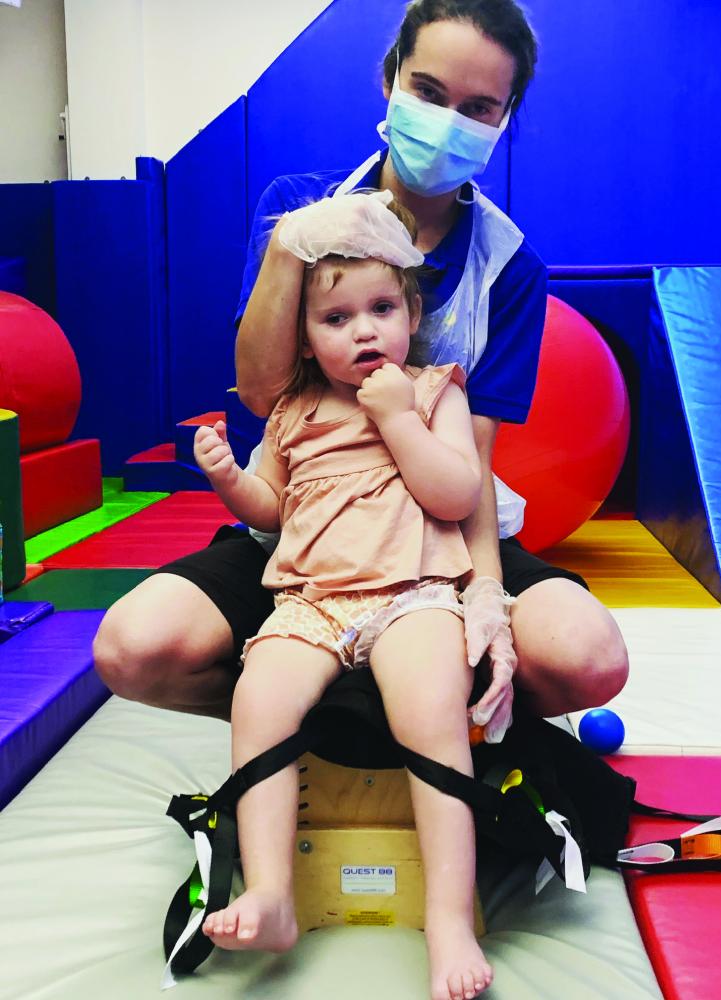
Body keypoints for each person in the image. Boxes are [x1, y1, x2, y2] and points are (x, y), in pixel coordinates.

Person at [94, 0, 627, 735]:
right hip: (306, 535)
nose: (447, 122)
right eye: (430, 93)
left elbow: (472, 452)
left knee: (589, 658)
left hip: (440, 542)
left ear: (505, 119)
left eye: (477, 108)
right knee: (132, 648)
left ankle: (441, 711)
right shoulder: (299, 209)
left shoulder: (508, 265)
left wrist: (486, 595)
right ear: (390, 82)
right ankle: (333, 725)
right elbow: (258, 390)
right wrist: (289, 248)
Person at [196, 190, 494, 1000]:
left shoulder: (435, 390)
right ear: (304, 337)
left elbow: (458, 495)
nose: (365, 329)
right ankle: (270, 892)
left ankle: (450, 917)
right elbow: (272, 505)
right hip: (311, 603)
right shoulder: (291, 412)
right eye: (337, 319)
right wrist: (229, 479)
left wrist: (398, 419)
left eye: (382, 308)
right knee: (259, 701)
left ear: (412, 308)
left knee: (433, 716)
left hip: (413, 593)